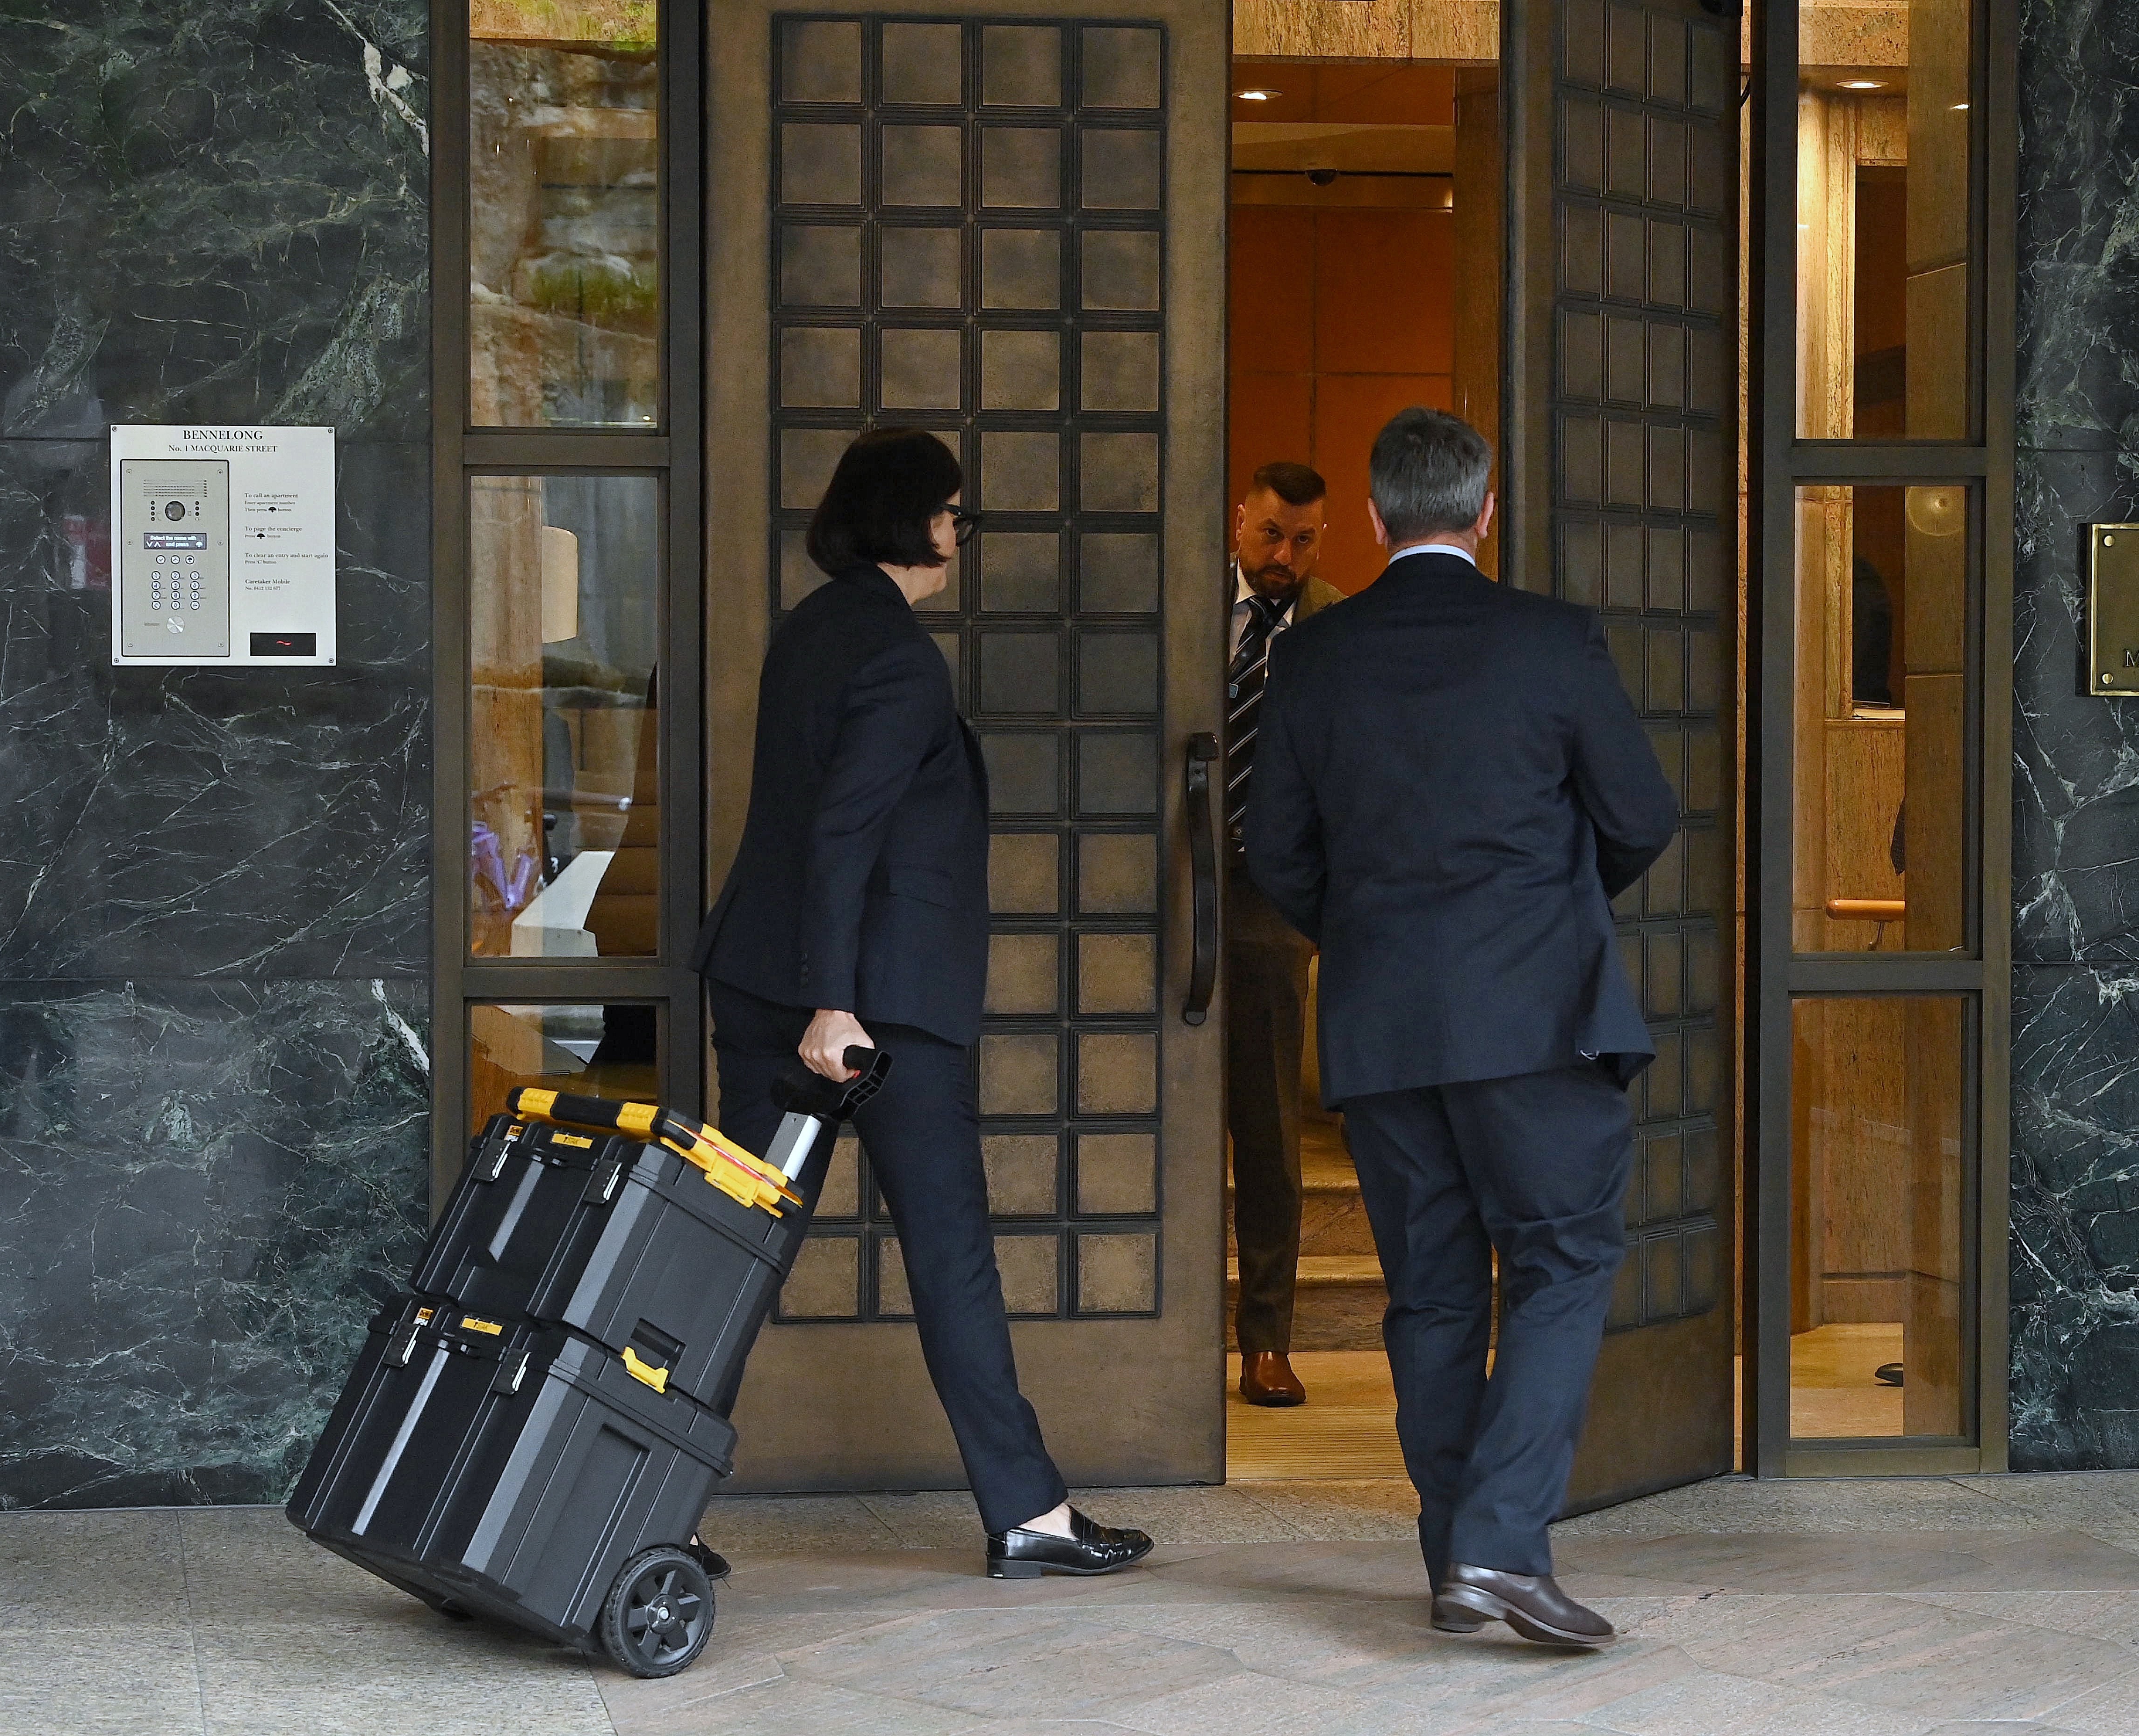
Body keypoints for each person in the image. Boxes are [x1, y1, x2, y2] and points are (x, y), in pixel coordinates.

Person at [1244, 407, 1677, 1648]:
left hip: (1385, 1027)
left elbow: (1274, 851)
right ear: (1487, 513)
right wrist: (1546, 909)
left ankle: (1459, 1559)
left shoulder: (1316, 657)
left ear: (1376, 520)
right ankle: (1496, 1546)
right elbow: (1641, 813)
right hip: (1538, 1020)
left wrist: (1378, 936)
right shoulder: (1551, 640)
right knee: (1563, 1263)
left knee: (1432, 1297)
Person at [690, 427, 1154, 1582]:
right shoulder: (898, 657)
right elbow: (843, 832)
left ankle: (644, 1498)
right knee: (952, 1256)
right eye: (956, 512)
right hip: (868, 1014)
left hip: (763, 976)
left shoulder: (810, 631)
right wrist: (834, 1002)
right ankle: (1031, 1515)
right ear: (912, 519)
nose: (962, 532)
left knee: (731, 1253)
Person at [1221, 461, 1343, 1407]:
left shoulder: (1336, 624)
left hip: (1272, 892)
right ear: (1242, 519)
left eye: (1303, 540)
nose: (1283, 558)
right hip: (1168, 881)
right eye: (1270, 535)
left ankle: (1267, 1336)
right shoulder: (1187, 601)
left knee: (1267, 1125)